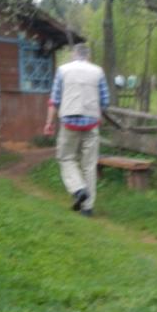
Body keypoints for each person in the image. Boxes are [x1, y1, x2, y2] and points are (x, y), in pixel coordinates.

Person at [44, 44, 110, 216]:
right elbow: (105, 101)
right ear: (88, 56)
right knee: (89, 165)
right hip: (91, 124)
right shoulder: (98, 72)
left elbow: (54, 100)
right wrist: (97, 114)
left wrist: (49, 123)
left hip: (69, 123)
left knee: (66, 158)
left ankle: (78, 189)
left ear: (74, 54)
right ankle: (87, 209)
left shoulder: (62, 70)